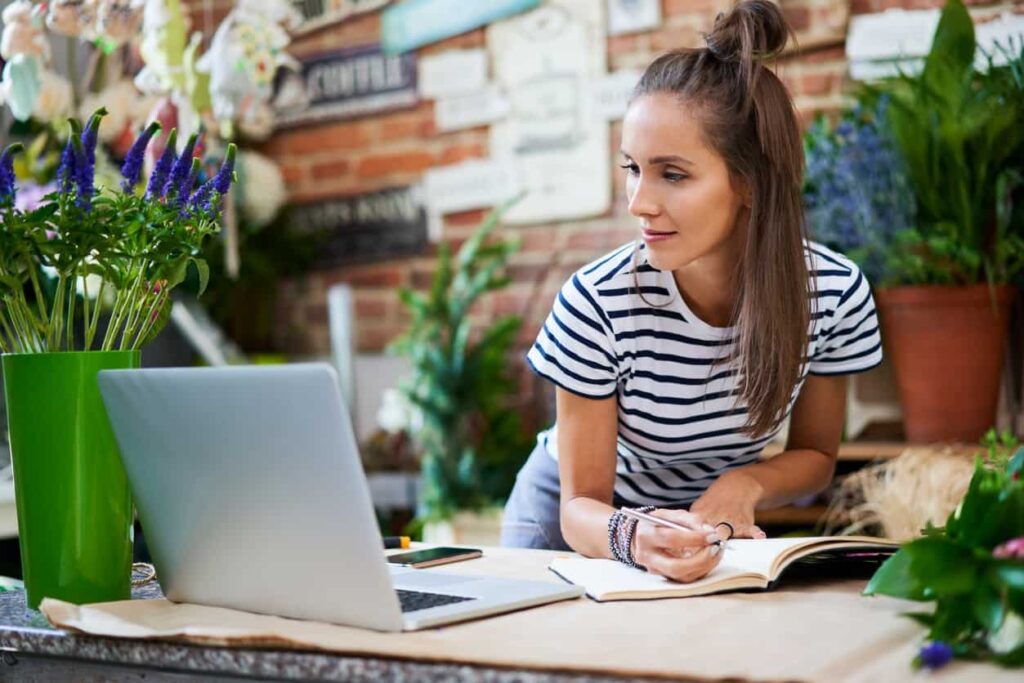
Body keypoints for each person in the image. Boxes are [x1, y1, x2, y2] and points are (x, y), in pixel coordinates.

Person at [500, 0, 882, 584]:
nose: (638, 202)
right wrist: (635, 534)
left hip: (705, 527)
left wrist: (744, 484)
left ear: (749, 183)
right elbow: (580, 508)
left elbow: (817, 459)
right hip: (573, 520)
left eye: (672, 174)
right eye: (632, 168)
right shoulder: (596, 302)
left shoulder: (833, 296)